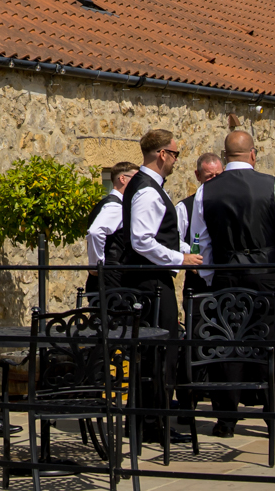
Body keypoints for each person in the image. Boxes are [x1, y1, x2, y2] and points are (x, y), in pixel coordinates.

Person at [187, 132, 275, 437]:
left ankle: (226, 419)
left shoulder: (205, 192)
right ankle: (274, 418)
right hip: (265, 274)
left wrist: (210, 274)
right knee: (269, 346)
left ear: (225, 157)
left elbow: (198, 239)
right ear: (252, 154)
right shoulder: (271, 185)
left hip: (225, 274)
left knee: (228, 346)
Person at [108, 130, 202, 444]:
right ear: (162, 154)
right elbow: (142, 240)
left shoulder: (143, 186)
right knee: (162, 354)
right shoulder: (148, 190)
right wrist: (180, 258)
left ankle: (148, 422)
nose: (176, 159)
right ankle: (153, 424)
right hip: (152, 284)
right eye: (175, 153)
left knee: (151, 355)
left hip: (149, 280)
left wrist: (181, 247)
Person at [84, 162, 139, 293]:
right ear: (122, 179)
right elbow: (95, 232)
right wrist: (97, 265)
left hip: (108, 277)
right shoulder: (115, 206)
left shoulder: (106, 203)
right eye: (136, 178)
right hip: (112, 278)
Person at [176, 154, 223, 307]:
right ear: (198, 175)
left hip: (224, 277)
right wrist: (191, 252)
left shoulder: (229, 204)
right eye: (210, 176)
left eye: (218, 175)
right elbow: (175, 239)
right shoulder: (184, 207)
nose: (215, 180)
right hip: (197, 281)